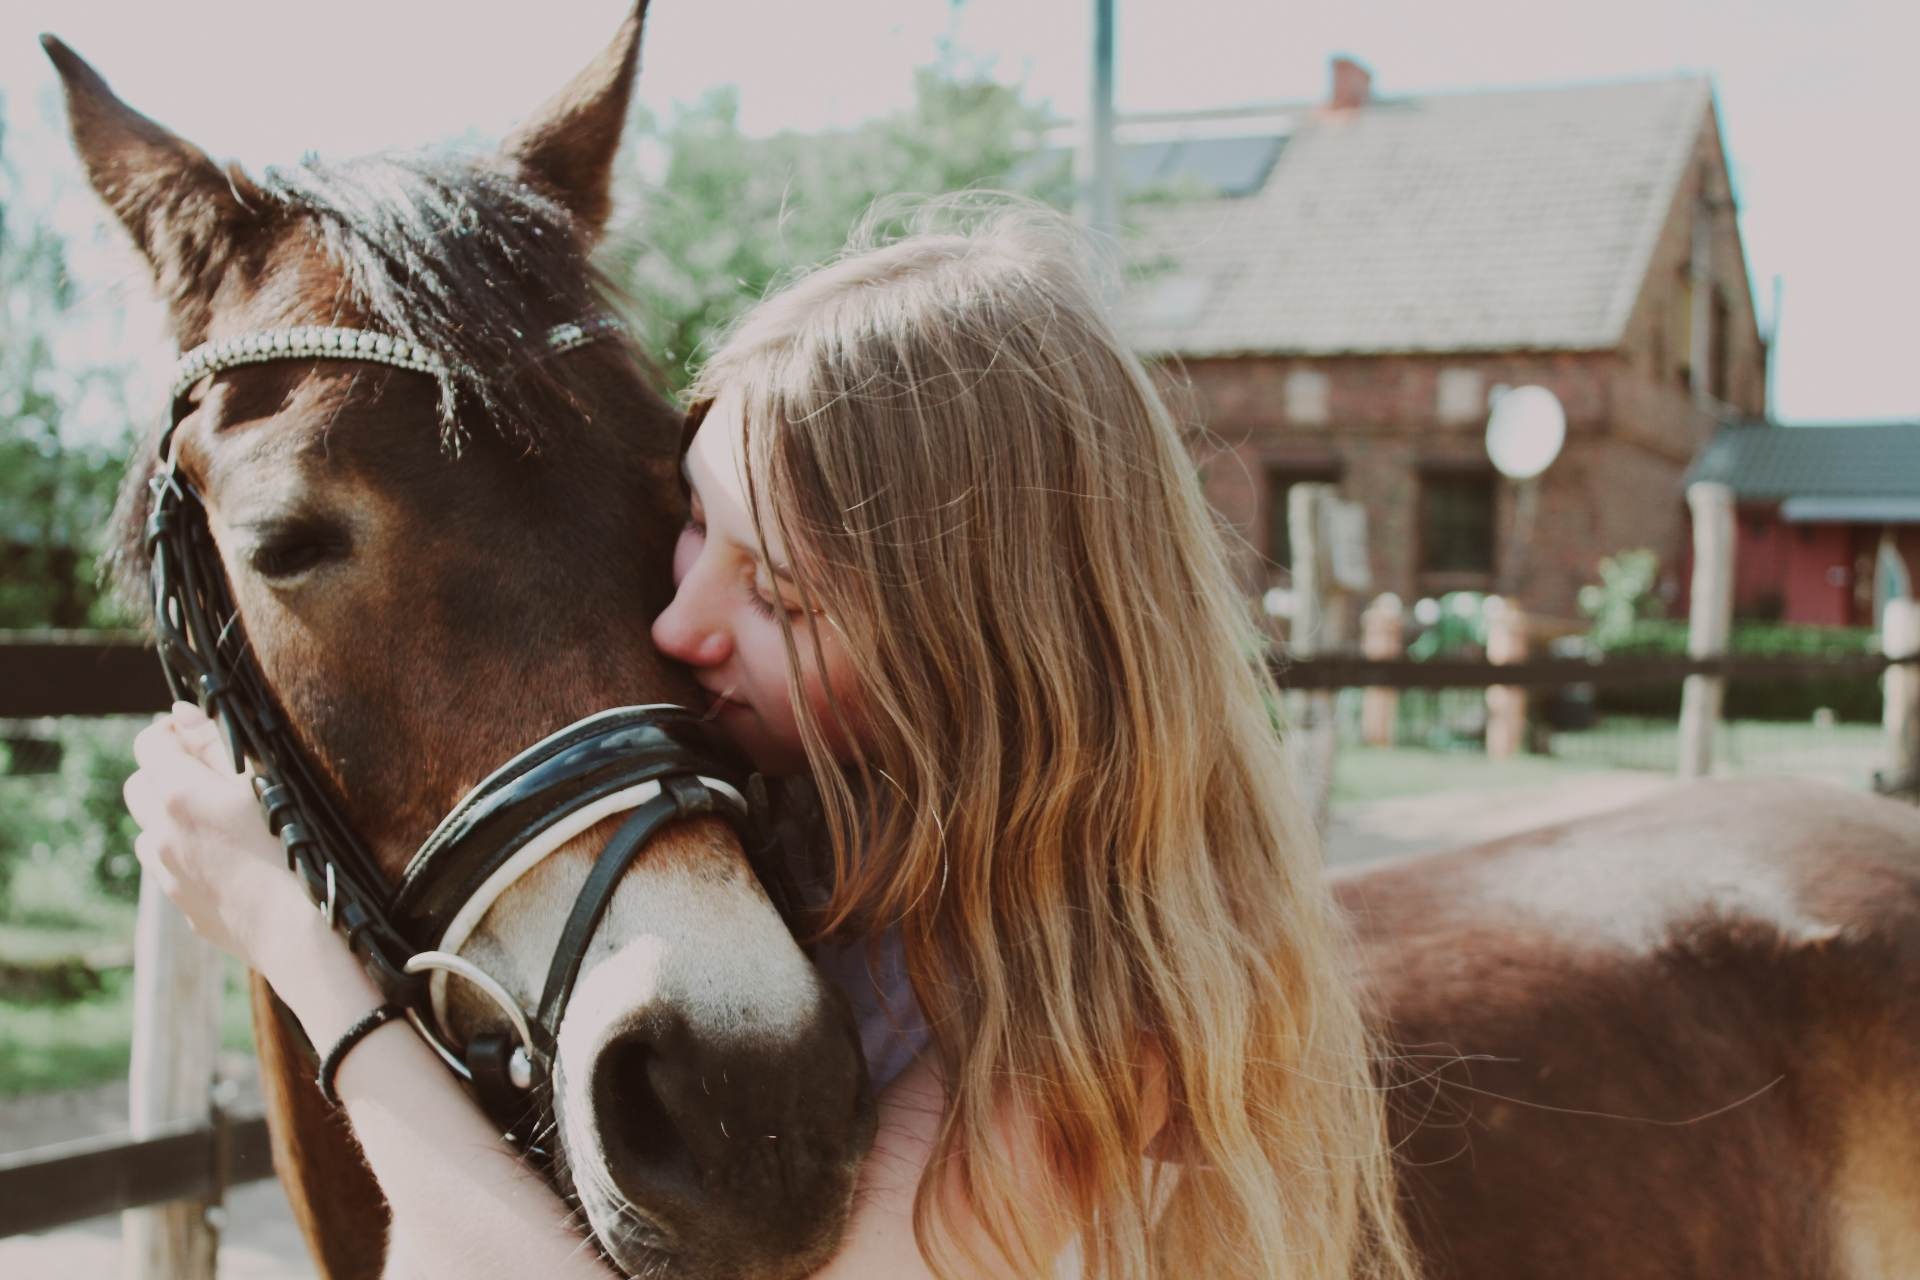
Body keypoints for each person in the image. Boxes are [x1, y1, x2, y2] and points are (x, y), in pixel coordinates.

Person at [124, 197, 1420, 1279]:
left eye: (781, 596)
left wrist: (297, 946)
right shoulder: (809, 829)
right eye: (691, 527)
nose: (679, 625)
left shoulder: (1090, 1018)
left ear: (971, 656)